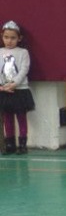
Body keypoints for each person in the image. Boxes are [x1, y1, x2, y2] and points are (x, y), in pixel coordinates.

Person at [0, 20, 33, 155]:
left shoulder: (23, 52)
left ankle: (23, 144)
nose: (9, 41)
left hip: (20, 90)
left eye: (13, 38)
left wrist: (14, 83)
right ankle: (10, 143)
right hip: (4, 90)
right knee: (7, 117)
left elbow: (24, 69)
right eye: (6, 37)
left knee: (21, 117)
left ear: (19, 38)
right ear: (2, 37)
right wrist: (2, 87)